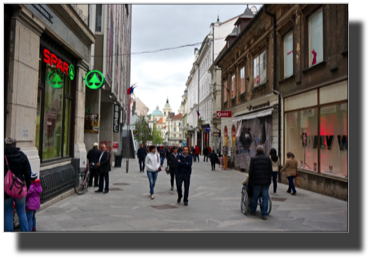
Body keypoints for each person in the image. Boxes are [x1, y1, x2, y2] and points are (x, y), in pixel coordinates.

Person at [4, 137, 31, 232]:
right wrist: (28, 186)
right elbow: (28, 173)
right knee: (21, 211)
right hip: (20, 188)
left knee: (7, 212)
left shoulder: (4, 157)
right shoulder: (22, 156)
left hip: (6, 190)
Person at [248, 145, 272, 220]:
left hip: (256, 181)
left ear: (256, 151)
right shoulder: (268, 159)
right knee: (265, 197)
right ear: (264, 151)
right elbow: (270, 170)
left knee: (255, 196)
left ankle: (253, 211)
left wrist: (250, 179)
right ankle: (264, 214)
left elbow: (251, 171)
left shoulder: (253, 159)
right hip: (265, 181)